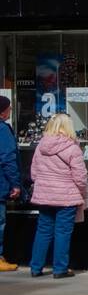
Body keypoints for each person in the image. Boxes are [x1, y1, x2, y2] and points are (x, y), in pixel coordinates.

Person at [28, 113, 88, 279]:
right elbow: (80, 177)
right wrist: (83, 193)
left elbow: (34, 172)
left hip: (44, 195)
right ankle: (60, 269)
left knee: (43, 231)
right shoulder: (72, 148)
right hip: (66, 197)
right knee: (62, 232)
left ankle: (35, 267)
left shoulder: (41, 146)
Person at [0, 97, 20, 272]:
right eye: (9, 108)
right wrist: (15, 184)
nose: (11, 110)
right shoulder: (3, 130)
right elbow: (8, 159)